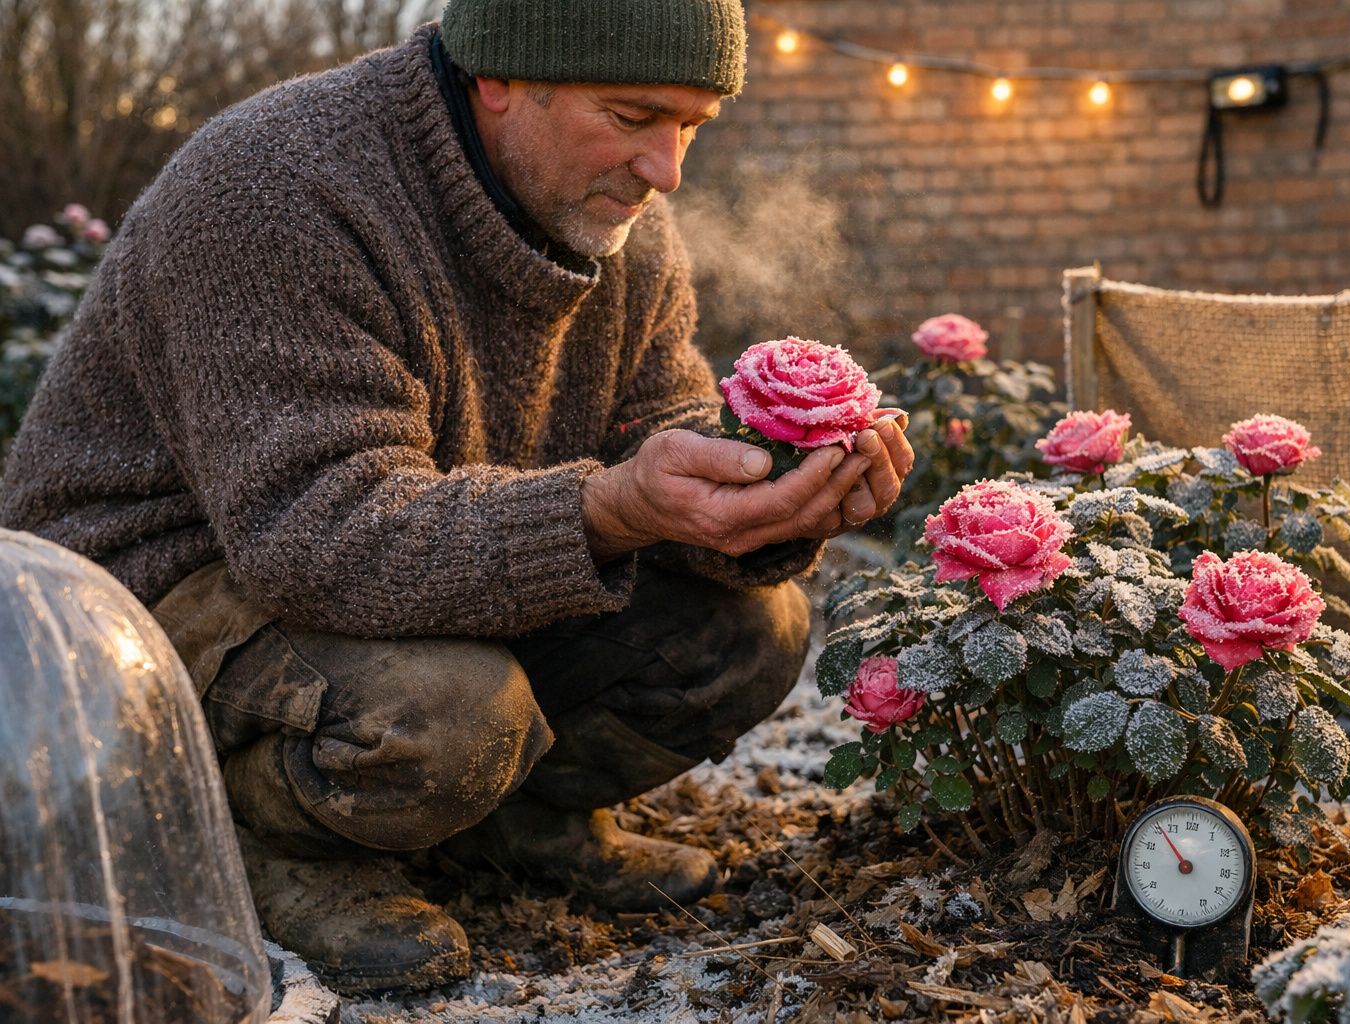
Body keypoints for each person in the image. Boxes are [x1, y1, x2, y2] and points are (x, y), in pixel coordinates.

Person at [0, 0, 914, 995]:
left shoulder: (618, 225)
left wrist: (763, 486)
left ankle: (511, 824)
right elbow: (324, 536)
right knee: (447, 712)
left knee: (750, 627)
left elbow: (661, 416)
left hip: (394, 576)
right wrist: (613, 509)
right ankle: (256, 849)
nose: (667, 170)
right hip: (136, 614)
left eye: (689, 125)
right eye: (631, 115)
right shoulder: (279, 188)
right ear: (500, 79)